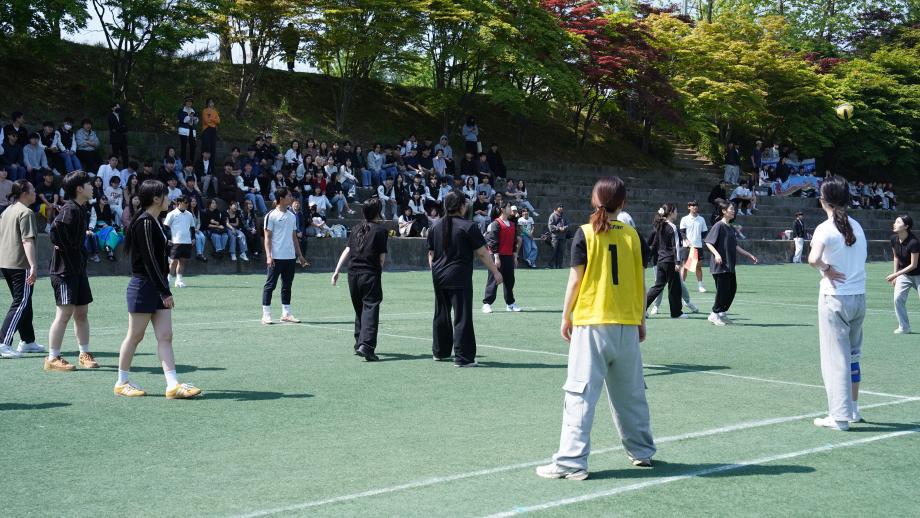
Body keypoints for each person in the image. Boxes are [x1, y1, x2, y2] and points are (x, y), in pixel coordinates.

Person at [537, 176, 655, 481]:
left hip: (592, 323)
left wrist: (566, 316)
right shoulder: (633, 235)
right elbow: (641, 282)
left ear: (594, 200)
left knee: (580, 392)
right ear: (623, 203)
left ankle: (572, 461)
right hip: (626, 324)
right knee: (631, 393)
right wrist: (641, 320)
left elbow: (575, 280)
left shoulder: (585, 233)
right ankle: (641, 451)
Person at [114, 180, 201, 398]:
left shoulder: (155, 222)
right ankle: (121, 382)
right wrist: (165, 291)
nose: (169, 199)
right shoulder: (144, 222)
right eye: (165, 195)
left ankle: (172, 385)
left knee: (165, 336)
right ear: (155, 199)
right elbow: (150, 261)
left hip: (157, 285)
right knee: (135, 336)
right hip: (144, 286)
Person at [808, 176, 867, 430]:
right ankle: (853, 410)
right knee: (852, 356)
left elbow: (813, 259)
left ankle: (840, 416)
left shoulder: (825, 228)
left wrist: (826, 269)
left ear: (824, 200)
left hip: (835, 298)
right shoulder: (857, 226)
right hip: (858, 297)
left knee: (835, 359)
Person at [427, 190, 503, 367]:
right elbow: (482, 253)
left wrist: (436, 271)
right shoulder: (468, 226)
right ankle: (463, 357)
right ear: (461, 206)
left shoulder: (435, 226)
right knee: (462, 315)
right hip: (459, 276)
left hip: (439, 276)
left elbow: (431, 254)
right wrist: (495, 272)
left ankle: (440, 352)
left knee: (441, 313)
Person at [45, 171, 99, 371]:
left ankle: (84, 353)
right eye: (89, 184)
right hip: (64, 271)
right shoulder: (69, 209)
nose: (92, 187)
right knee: (64, 313)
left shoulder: (80, 208)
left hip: (77, 269)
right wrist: (66, 248)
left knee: (82, 313)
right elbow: (55, 231)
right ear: (79, 188)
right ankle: (52, 358)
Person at [331, 198, 388, 361]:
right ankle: (367, 346)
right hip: (369, 274)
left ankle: (359, 343)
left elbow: (347, 250)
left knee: (360, 309)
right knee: (370, 308)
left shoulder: (356, 228)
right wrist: (377, 271)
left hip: (353, 274)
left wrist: (336, 271)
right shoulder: (380, 231)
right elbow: (381, 258)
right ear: (378, 212)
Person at [0, 180, 44, 358]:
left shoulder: (7, 210)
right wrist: (33, 265)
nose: (35, 192)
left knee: (25, 301)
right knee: (21, 302)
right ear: (24, 194)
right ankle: (3, 342)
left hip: (6, 263)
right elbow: (27, 241)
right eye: (33, 190)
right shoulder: (26, 212)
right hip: (20, 264)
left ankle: (27, 340)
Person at [704, 199, 759, 326]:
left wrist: (749, 255)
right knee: (722, 291)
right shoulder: (718, 226)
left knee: (732, 289)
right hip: (720, 266)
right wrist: (717, 254)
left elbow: (735, 246)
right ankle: (714, 314)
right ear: (724, 211)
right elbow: (708, 242)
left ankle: (722, 313)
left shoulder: (731, 227)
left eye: (734, 209)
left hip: (729, 265)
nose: (734, 211)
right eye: (731, 209)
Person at [261, 187, 309, 325]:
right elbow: (267, 238)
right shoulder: (271, 216)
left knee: (287, 286)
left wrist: (300, 255)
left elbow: (294, 238)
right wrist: (269, 256)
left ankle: (286, 314)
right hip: (275, 257)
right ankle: (266, 315)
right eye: (289, 196)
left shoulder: (292, 216)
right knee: (270, 285)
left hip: (290, 257)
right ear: (281, 199)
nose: (291, 198)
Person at [645, 204, 687, 319]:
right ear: (671, 213)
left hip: (661, 261)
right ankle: (676, 313)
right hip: (670, 261)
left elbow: (654, 244)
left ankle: (641, 309)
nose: (677, 213)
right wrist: (677, 262)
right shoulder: (672, 227)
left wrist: (648, 257)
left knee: (657, 287)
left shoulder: (660, 226)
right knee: (675, 287)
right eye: (676, 211)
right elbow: (676, 246)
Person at [482, 201, 522, 313]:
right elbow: (492, 241)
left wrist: (515, 256)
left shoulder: (512, 224)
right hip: (497, 256)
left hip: (508, 257)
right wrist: (496, 257)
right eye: (508, 206)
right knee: (493, 280)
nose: (511, 208)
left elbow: (514, 242)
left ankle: (510, 304)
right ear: (502, 209)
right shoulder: (496, 224)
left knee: (510, 280)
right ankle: (487, 304)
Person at [888, 215, 919, 334]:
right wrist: (895, 275)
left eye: (898, 222)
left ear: (906, 226)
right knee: (898, 299)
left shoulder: (914, 242)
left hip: (918, 274)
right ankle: (904, 327)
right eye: (895, 221)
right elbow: (896, 257)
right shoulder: (893, 239)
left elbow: (913, 265)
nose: (894, 224)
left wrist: (895, 275)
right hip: (904, 275)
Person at [163, 196, 195, 288]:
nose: (187, 204)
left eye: (188, 202)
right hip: (175, 242)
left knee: (182, 261)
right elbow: (165, 226)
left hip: (187, 242)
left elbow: (192, 227)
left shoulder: (189, 214)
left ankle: (179, 280)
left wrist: (193, 238)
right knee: (173, 261)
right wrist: (169, 238)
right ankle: (167, 280)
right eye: (185, 202)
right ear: (179, 203)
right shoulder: (172, 214)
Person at [679, 201, 707, 292]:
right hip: (686, 247)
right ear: (689, 207)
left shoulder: (701, 219)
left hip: (698, 246)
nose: (695, 207)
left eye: (696, 206)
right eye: (693, 206)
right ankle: (682, 286)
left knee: (698, 266)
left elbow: (704, 232)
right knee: (685, 267)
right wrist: (687, 241)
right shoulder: (684, 219)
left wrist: (697, 239)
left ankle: (700, 286)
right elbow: (682, 232)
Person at [548, 204, 570, 269]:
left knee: (561, 251)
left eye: (562, 207)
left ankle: (559, 265)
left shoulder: (564, 216)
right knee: (553, 250)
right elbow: (550, 226)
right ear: (556, 208)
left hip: (563, 236)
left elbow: (568, 224)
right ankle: (550, 265)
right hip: (555, 236)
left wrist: (564, 228)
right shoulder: (552, 215)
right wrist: (558, 228)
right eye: (559, 207)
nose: (561, 208)